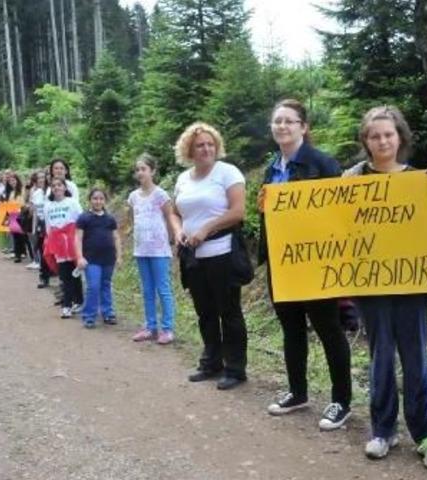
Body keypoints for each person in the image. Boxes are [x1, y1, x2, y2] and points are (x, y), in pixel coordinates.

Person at [339, 105, 427, 468]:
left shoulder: (421, 179)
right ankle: (382, 430)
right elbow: (333, 228)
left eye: (388, 134)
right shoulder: (350, 179)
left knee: (416, 358)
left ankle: (426, 433)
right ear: (365, 141)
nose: (382, 141)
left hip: (412, 283)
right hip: (371, 285)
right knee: (380, 357)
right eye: (374, 136)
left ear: (400, 137)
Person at [256, 99, 354, 430]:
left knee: (329, 330)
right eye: (277, 121)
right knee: (292, 329)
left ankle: (342, 401)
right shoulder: (272, 168)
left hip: (317, 262)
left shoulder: (323, 163)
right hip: (282, 264)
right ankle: (298, 393)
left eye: (289, 121)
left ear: (303, 127)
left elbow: (341, 214)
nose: (282, 126)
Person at [173, 122, 248, 390]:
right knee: (204, 312)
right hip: (193, 257)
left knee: (228, 312)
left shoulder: (228, 173)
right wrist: (179, 230)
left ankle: (235, 368)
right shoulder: (183, 179)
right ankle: (212, 362)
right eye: (199, 145)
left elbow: (238, 212)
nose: (206, 149)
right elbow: (174, 211)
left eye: (210, 144)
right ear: (189, 150)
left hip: (222, 252)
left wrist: (206, 228)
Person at [128, 154, 179, 345]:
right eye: (138, 169)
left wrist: (172, 239)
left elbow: (170, 217)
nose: (140, 172)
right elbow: (134, 219)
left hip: (159, 250)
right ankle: (150, 326)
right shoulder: (133, 197)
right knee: (147, 290)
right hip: (141, 250)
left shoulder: (161, 195)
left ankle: (167, 328)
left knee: (163, 289)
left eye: (144, 169)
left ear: (153, 171)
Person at [75, 188, 121, 329]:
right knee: (93, 286)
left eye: (101, 198)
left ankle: (108, 313)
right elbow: (78, 238)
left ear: (105, 201)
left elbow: (116, 237)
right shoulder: (84, 218)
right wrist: (80, 257)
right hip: (91, 259)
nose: (98, 201)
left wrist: (119, 256)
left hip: (108, 258)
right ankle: (89, 316)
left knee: (106, 285)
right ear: (90, 200)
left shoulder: (110, 219)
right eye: (95, 198)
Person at [43, 177, 83, 319]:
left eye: (59, 185)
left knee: (75, 273)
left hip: (72, 242)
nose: (56, 188)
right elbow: (48, 227)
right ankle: (69, 304)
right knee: (65, 275)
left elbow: (81, 222)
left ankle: (75, 302)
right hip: (58, 244)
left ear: (65, 188)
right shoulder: (48, 206)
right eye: (53, 186)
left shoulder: (72, 203)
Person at [5, 172, 27, 263]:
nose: (12, 182)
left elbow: (23, 203)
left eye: (13, 180)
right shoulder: (11, 192)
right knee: (16, 236)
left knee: (21, 236)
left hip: (21, 214)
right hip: (13, 215)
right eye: (10, 181)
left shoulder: (22, 190)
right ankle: (18, 254)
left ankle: (22, 252)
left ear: (17, 181)